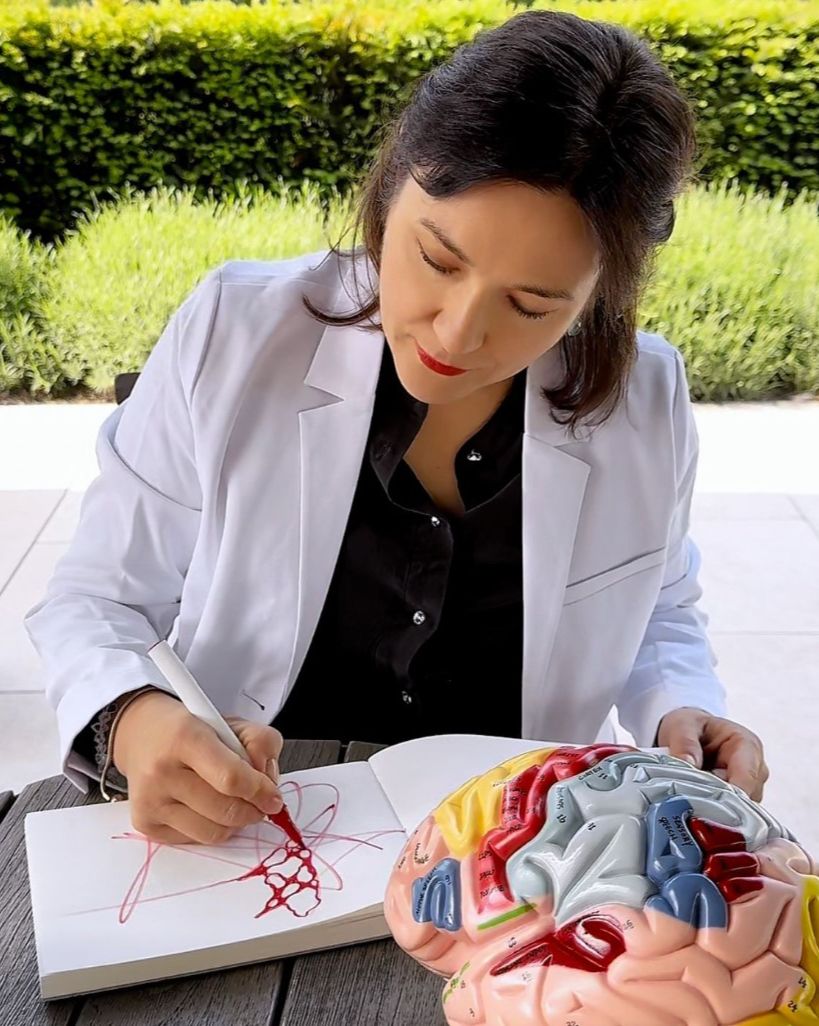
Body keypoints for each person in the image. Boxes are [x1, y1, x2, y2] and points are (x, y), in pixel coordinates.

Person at [24, 8, 768, 847]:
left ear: (600, 294)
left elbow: (657, 602)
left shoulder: (644, 396)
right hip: (253, 835)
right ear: (387, 193)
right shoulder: (234, 332)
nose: (457, 333)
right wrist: (130, 716)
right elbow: (100, 597)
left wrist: (680, 707)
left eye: (531, 305)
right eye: (436, 260)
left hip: (510, 852)